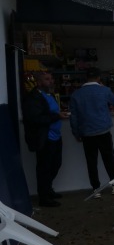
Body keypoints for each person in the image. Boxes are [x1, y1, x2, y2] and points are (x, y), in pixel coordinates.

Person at [69, 67, 114, 197]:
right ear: (98, 78)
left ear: (86, 78)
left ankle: (96, 189)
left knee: (91, 161)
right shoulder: (104, 90)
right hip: (103, 130)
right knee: (109, 158)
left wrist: (76, 133)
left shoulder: (76, 94)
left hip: (87, 133)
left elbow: (73, 117)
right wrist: (103, 87)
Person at [22, 72, 70, 207]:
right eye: (47, 79)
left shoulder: (49, 95)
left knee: (56, 164)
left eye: (51, 78)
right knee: (44, 168)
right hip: (44, 138)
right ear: (38, 82)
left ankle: (48, 189)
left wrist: (59, 114)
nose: (51, 81)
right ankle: (44, 197)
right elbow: (35, 118)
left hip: (55, 136)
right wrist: (57, 116)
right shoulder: (33, 98)